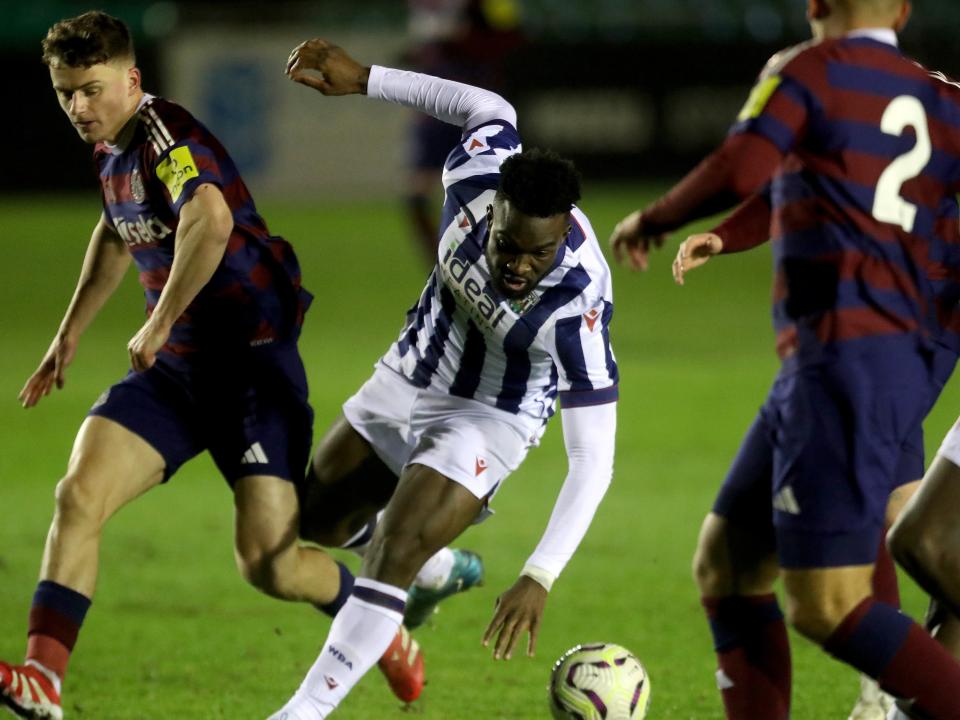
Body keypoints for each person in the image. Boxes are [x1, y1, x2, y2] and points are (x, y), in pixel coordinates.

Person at [0, 12, 422, 720]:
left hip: (252, 371)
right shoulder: (108, 147)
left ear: (132, 79)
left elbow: (210, 218)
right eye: (65, 92)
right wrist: (69, 333)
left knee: (271, 564)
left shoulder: (168, 136)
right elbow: (117, 226)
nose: (78, 106)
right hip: (175, 374)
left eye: (91, 89)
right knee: (79, 496)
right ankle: (44, 680)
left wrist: (158, 320)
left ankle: (377, 624)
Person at [609, 1, 960, 718]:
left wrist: (658, 216)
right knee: (729, 564)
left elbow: (745, 163)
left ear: (815, 5)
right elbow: (796, 176)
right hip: (874, 354)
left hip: (849, 354)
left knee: (827, 603)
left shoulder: (810, 69)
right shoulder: (940, 99)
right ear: (901, 11)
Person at [269, 39, 618, 719]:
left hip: (492, 414)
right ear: (492, 211)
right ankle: (433, 569)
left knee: (392, 547)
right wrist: (365, 79)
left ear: (562, 240)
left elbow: (593, 460)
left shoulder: (579, 305)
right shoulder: (474, 174)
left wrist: (539, 575)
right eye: (508, 246)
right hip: (416, 364)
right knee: (315, 516)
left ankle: (301, 712)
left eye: (538, 254)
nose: (519, 266)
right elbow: (485, 105)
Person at [403, 0, 524, 265]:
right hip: (435, 109)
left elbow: (512, 37)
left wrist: (461, 41)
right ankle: (441, 267)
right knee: (416, 197)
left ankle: (498, 262)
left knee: (493, 195)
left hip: (476, 107)